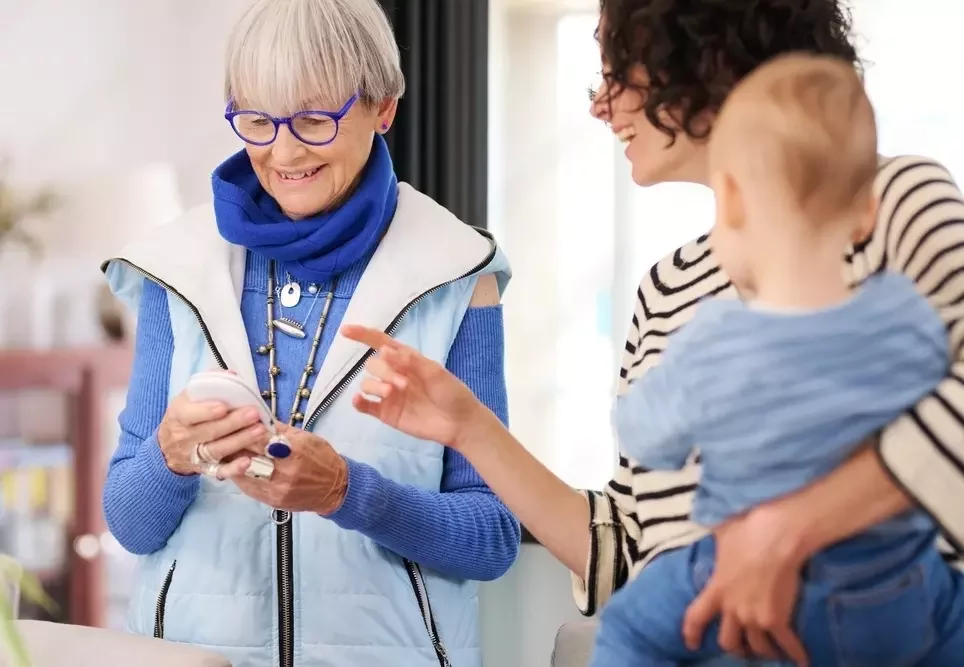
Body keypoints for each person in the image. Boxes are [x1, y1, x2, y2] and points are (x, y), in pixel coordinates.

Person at [341, 1, 964, 666]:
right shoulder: (667, 286)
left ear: (703, 57)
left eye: (617, 76)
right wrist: (469, 428)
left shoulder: (885, 199)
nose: (599, 107)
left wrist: (785, 533)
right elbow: (631, 548)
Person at [100, 1, 519, 666]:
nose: (284, 151)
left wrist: (350, 492)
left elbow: (492, 537)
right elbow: (129, 523)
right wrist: (171, 454)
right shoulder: (176, 269)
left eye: (316, 119)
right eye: (259, 120)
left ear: (384, 107)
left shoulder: (455, 273)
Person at [590, 52, 960, 667]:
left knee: (626, 628)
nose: (600, 101)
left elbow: (646, 437)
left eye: (620, 65)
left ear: (731, 201)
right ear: (865, 209)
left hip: (734, 586)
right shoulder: (903, 314)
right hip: (896, 584)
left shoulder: (713, 338)